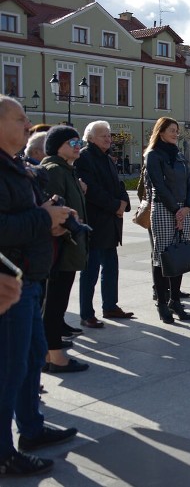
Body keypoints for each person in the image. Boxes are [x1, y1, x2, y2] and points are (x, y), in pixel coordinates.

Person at [0, 95, 78, 479]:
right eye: (20, 119)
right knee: (9, 368)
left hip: (29, 277)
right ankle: (3, 452)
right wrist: (42, 217)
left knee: (30, 359)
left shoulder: (16, 166)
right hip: (8, 282)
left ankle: (30, 429)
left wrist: (54, 218)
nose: (28, 125)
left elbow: (25, 216)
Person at [39, 126, 90, 372]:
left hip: (68, 246)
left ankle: (51, 349)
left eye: (78, 140)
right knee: (54, 301)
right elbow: (53, 208)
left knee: (58, 300)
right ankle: (53, 354)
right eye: (72, 141)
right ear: (56, 146)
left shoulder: (66, 169)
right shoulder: (54, 170)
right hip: (60, 247)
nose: (77, 145)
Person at [76, 121, 133, 327]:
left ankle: (110, 306)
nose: (108, 138)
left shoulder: (107, 158)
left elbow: (118, 184)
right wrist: (115, 206)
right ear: (90, 138)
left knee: (110, 267)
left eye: (109, 135)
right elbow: (91, 190)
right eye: (103, 135)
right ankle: (86, 313)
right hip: (95, 222)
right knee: (90, 271)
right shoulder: (84, 157)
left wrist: (124, 203)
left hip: (110, 223)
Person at [143, 117, 190, 323]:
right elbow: (158, 185)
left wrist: (187, 207)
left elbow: (189, 181)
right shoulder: (153, 155)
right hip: (164, 208)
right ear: (161, 131)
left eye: (177, 130)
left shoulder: (179, 155)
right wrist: (175, 210)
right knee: (163, 257)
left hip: (183, 208)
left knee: (179, 256)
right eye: (172, 130)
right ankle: (162, 303)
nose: (176, 133)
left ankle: (175, 299)